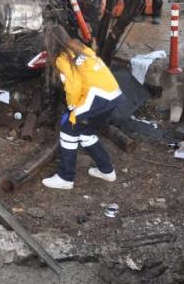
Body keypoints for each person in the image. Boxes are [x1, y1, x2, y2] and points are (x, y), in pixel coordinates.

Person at [42, 24, 126, 190]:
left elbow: (73, 85)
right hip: (114, 95)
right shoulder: (80, 48)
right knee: (85, 132)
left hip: (96, 98)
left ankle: (65, 177)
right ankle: (106, 170)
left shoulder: (62, 58)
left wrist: (72, 108)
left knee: (68, 130)